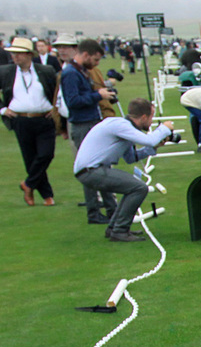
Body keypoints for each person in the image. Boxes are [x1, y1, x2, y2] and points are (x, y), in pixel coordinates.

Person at [73, 97, 178, 242]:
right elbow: (150, 140)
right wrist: (165, 127)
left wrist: (153, 148)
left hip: (90, 170)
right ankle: (120, 230)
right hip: (91, 171)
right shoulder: (121, 125)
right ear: (143, 117)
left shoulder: (123, 127)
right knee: (139, 188)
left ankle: (114, 228)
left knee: (133, 188)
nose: (151, 121)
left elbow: (130, 157)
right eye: (151, 117)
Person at [61, 38, 119, 223]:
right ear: (85, 54)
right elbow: (73, 101)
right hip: (82, 125)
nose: (96, 64)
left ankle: (112, 210)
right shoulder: (70, 73)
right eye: (95, 60)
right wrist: (98, 95)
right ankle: (94, 213)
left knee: (103, 167)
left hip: (92, 122)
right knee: (90, 171)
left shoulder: (80, 71)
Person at [1, 36, 59, 205]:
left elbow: (56, 91)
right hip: (21, 120)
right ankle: (46, 195)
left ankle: (28, 184)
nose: (15, 57)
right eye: (13, 54)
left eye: (19, 53)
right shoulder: (6, 72)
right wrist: (3, 110)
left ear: (29, 55)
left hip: (44, 119)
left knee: (46, 154)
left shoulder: (46, 70)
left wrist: (54, 108)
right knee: (30, 158)